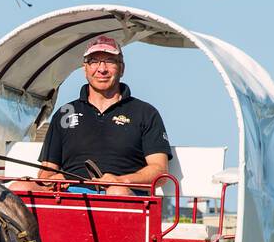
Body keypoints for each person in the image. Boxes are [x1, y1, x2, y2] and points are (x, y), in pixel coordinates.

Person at [9, 36, 171, 195]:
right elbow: (47, 172)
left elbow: (160, 172)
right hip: (69, 197)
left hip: (123, 197)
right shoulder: (65, 113)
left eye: (109, 61)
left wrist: (121, 181)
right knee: (20, 188)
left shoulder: (145, 113)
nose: (102, 69)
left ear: (122, 68)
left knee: (116, 192)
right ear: (84, 68)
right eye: (94, 61)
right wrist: (54, 180)